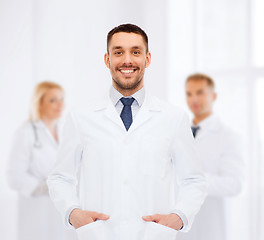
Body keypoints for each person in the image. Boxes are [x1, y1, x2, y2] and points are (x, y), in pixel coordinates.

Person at [47, 24, 207, 240]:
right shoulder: (81, 117)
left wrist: (179, 217)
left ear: (147, 59)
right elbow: (60, 177)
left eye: (136, 52)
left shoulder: (173, 117)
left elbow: (194, 180)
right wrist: (73, 213)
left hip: (153, 235)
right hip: (98, 234)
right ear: (107, 60)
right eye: (118, 52)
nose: (127, 60)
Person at [177, 73, 245, 240]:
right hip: (179, 218)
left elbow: (235, 184)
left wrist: (196, 181)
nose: (194, 99)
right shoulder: (179, 132)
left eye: (200, 92)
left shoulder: (228, 136)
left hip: (210, 220)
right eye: (189, 93)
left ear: (213, 96)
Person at [7, 81, 76, 240]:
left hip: (61, 208)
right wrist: (42, 188)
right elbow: (14, 176)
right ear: (39, 103)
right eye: (53, 100)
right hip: (36, 208)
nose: (60, 104)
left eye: (62, 99)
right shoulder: (26, 132)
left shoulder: (65, 131)